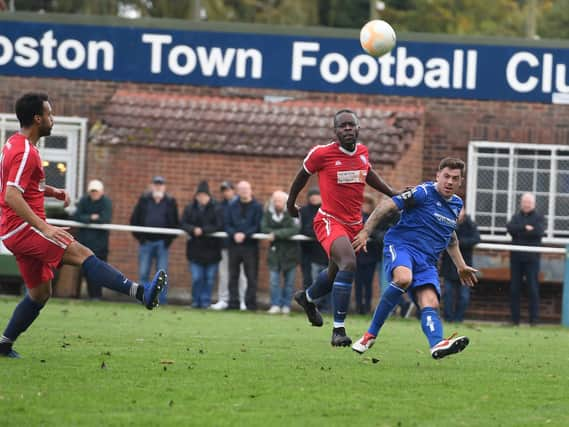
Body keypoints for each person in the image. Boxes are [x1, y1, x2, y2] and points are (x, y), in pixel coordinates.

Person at [0, 93, 166, 358]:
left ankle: (4, 344)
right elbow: (11, 194)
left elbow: (26, 186)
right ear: (37, 118)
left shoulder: (14, 143)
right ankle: (140, 292)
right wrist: (44, 228)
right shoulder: (26, 152)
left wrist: (54, 192)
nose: (53, 119)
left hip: (13, 230)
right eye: (50, 114)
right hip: (25, 229)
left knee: (40, 293)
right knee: (84, 254)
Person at [287, 109, 398, 347]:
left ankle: (306, 298)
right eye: (342, 126)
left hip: (354, 225)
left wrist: (393, 193)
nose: (347, 129)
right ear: (335, 131)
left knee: (334, 273)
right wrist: (290, 203)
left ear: (358, 128)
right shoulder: (322, 153)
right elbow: (301, 176)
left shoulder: (362, 152)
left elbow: (367, 173)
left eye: (351, 125)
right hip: (329, 220)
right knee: (348, 263)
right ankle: (338, 330)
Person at [351, 157, 478, 359]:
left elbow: (451, 238)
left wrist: (461, 266)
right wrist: (366, 232)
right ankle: (370, 335)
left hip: (427, 261)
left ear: (460, 181)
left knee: (431, 301)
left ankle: (437, 344)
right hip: (402, 246)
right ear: (437, 176)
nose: (450, 182)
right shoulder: (422, 192)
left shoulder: (456, 204)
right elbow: (387, 206)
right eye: (446, 176)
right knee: (403, 278)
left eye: (455, 178)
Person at [130, 175, 179, 304]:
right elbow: (134, 220)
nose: (158, 187)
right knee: (143, 272)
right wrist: (141, 238)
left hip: (162, 243)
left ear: (164, 187)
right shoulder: (144, 200)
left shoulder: (170, 202)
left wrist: (168, 241)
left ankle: (160, 301)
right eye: (156, 184)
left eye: (160, 184)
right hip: (146, 242)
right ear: (152, 186)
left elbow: (175, 222)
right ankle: (144, 299)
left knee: (162, 274)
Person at [181, 180, 222, 309]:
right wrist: (193, 230)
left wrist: (203, 230)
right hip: (195, 250)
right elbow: (182, 223)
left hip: (212, 250)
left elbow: (219, 225)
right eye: (199, 196)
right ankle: (195, 301)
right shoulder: (189, 208)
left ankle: (205, 302)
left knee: (209, 279)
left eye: (204, 196)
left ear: (209, 196)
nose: (202, 198)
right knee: (197, 278)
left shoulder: (217, 208)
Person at [506, 192, 544, 326]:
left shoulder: (538, 217)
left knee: (533, 289)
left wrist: (521, 232)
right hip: (516, 258)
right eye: (524, 202)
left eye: (529, 202)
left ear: (533, 204)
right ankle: (514, 320)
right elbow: (510, 228)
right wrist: (524, 228)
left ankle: (534, 320)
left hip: (532, 259)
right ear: (521, 203)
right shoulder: (516, 217)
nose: (526, 205)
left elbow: (538, 232)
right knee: (514, 289)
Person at [224, 180, 263, 311]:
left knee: (251, 276)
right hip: (234, 245)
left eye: (246, 189)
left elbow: (258, 225)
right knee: (233, 275)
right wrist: (234, 234)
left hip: (250, 246)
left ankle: (250, 304)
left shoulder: (257, 207)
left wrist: (245, 234)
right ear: (237, 191)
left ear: (251, 190)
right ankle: (233, 303)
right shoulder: (231, 206)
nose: (244, 191)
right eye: (241, 189)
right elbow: (227, 224)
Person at [72, 179, 113, 300]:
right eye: (92, 191)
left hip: (100, 246)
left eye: (96, 192)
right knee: (86, 272)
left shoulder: (106, 202)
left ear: (101, 192)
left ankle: (97, 296)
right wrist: (91, 217)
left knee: (98, 271)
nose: (94, 194)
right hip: (84, 244)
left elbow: (105, 218)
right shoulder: (84, 200)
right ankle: (91, 296)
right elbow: (76, 216)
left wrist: (86, 218)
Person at [210, 181, 247, 311]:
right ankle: (223, 299)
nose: (226, 193)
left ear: (233, 190)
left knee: (242, 274)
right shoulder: (220, 206)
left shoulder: (240, 204)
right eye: (224, 190)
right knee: (224, 273)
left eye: (228, 190)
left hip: (240, 245)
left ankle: (243, 300)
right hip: (226, 245)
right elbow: (223, 224)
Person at [262, 190, 300, 314]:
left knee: (289, 282)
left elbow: (295, 229)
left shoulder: (292, 212)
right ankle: (275, 304)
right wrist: (279, 233)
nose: (276, 203)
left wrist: (276, 234)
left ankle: (286, 305)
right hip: (274, 253)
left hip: (291, 253)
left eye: (279, 200)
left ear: (285, 201)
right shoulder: (268, 213)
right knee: (274, 281)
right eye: (275, 200)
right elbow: (264, 227)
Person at [441, 207, 480, 322]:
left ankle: (458, 319)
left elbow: (476, 239)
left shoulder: (470, 224)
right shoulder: (447, 222)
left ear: (464, 211)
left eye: (460, 210)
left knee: (464, 297)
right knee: (448, 295)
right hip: (448, 266)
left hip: (465, 266)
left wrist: (457, 243)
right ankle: (448, 319)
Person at [299, 187, 330, 311]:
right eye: (312, 195)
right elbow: (304, 229)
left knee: (326, 281)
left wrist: (314, 232)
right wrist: (318, 234)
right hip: (308, 253)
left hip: (325, 253)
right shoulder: (304, 211)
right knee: (310, 281)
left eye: (317, 195)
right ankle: (311, 307)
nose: (314, 197)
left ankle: (325, 307)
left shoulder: (326, 211)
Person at [354, 194, 382, 314]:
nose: (365, 206)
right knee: (358, 283)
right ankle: (358, 306)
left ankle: (367, 307)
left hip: (371, 255)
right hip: (358, 255)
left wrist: (369, 234)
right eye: (363, 204)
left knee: (368, 283)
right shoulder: (357, 218)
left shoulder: (375, 219)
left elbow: (377, 233)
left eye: (367, 204)